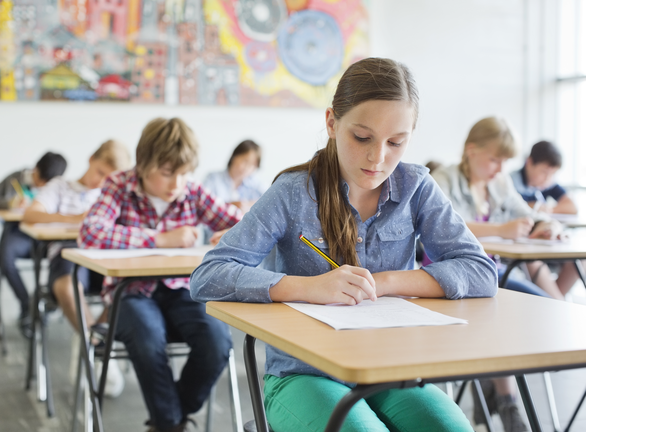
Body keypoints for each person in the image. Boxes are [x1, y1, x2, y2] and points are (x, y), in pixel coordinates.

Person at [191, 58, 496, 432]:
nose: (378, 157)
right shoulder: (292, 193)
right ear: (332, 123)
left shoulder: (416, 188)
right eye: (362, 137)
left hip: (390, 369)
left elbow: (481, 271)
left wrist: (382, 282)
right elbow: (207, 276)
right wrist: (307, 288)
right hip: (304, 375)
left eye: (396, 142)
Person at [78, 118, 243, 432]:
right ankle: (171, 424)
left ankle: (170, 420)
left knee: (218, 343)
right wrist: (158, 238)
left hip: (184, 289)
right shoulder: (119, 185)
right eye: (168, 173)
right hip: (130, 293)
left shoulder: (192, 192)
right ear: (143, 165)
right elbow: (90, 232)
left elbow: (245, 223)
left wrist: (234, 234)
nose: (176, 184)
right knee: (148, 340)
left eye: (184, 174)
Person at [431, 117, 580, 432]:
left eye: (505, 161)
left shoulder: (499, 184)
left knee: (546, 310)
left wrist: (547, 226)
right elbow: (440, 226)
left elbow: (527, 214)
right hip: (453, 277)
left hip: (492, 274)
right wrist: (500, 229)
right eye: (495, 159)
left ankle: (494, 386)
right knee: (499, 314)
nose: (500, 168)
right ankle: (507, 400)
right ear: (471, 150)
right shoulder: (443, 179)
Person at [23, 140, 131, 335]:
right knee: (67, 287)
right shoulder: (60, 187)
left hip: (103, 253)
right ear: (91, 159)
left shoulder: (113, 195)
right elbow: (30, 215)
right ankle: (94, 344)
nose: (101, 182)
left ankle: (99, 341)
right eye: (100, 172)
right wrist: (74, 219)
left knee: (130, 287)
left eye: (108, 178)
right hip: (68, 252)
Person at [0, 151, 67, 338]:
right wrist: (10, 203)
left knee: (65, 256)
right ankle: (27, 305)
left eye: (47, 184)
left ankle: (46, 302)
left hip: (47, 236)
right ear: (35, 169)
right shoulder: (15, 180)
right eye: (40, 180)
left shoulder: (61, 188)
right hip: (18, 234)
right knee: (4, 256)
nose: (42, 186)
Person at [510, 140, 578, 214]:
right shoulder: (510, 183)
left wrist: (546, 209)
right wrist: (533, 207)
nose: (547, 178)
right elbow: (508, 209)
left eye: (553, 174)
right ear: (529, 162)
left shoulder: (548, 183)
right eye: (544, 172)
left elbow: (572, 207)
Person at [202, 139, 266, 213]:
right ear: (234, 156)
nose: (247, 168)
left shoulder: (256, 184)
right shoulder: (213, 179)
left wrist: (249, 205)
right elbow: (202, 206)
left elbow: (269, 202)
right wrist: (228, 206)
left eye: (253, 165)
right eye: (245, 161)